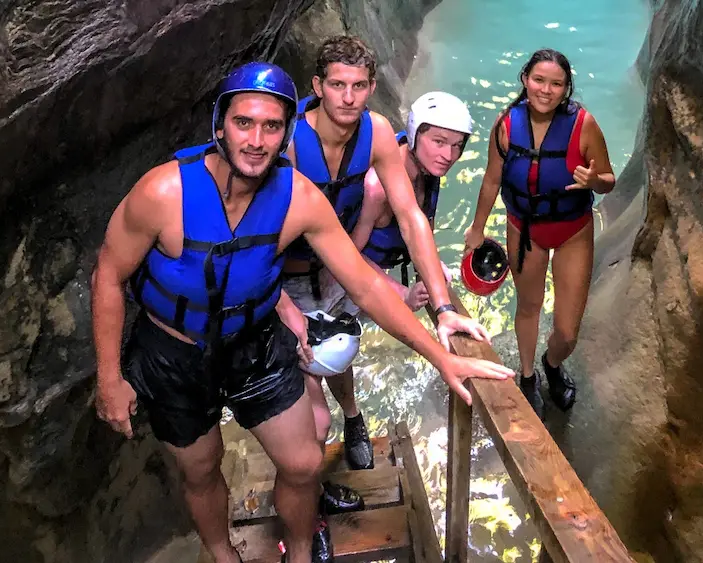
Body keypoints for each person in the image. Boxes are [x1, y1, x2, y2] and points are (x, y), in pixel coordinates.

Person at [90, 62, 514, 563]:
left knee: (304, 461)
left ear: (285, 132)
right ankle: (224, 555)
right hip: (172, 355)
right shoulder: (164, 193)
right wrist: (109, 377)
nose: (256, 140)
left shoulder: (298, 199)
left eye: (272, 127)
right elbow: (109, 277)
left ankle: (298, 555)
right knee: (201, 470)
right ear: (219, 126)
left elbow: (363, 283)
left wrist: (440, 354)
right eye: (244, 123)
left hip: (255, 342)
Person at [278, 36, 491, 474]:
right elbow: (259, 235)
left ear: (372, 86)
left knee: (338, 359)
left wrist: (445, 307)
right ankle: (311, 495)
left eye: (358, 86)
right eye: (338, 85)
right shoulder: (291, 140)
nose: (348, 97)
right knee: (310, 413)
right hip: (290, 281)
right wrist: (278, 300)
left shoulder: (373, 132)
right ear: (318, 86)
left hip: (338, 277)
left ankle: (353, 418)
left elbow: (412, 218)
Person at [463, 48, 615, 421]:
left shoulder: (584, 125)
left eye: (556, 84)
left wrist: (594, 180)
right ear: (525, 80)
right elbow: (491, 179)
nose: (545, 90)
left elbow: (608, 180)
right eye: (538, 80)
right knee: (528, 306)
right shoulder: (506, 125)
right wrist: (477, 227)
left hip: (572, 232)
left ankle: (552, 361)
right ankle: (529, 377)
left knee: (567, 330)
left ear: (566, 89)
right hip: (524, 228)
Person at [350, 91, 473, 307]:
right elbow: (348, 256)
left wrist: (432, 264)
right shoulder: (378, 187)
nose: (449, 155)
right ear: (415, 135)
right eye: (439, 142)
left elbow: (423, 228)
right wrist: (402, 294)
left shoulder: (429, 169)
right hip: (345, 287)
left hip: (378, 274)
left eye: (457, 145)